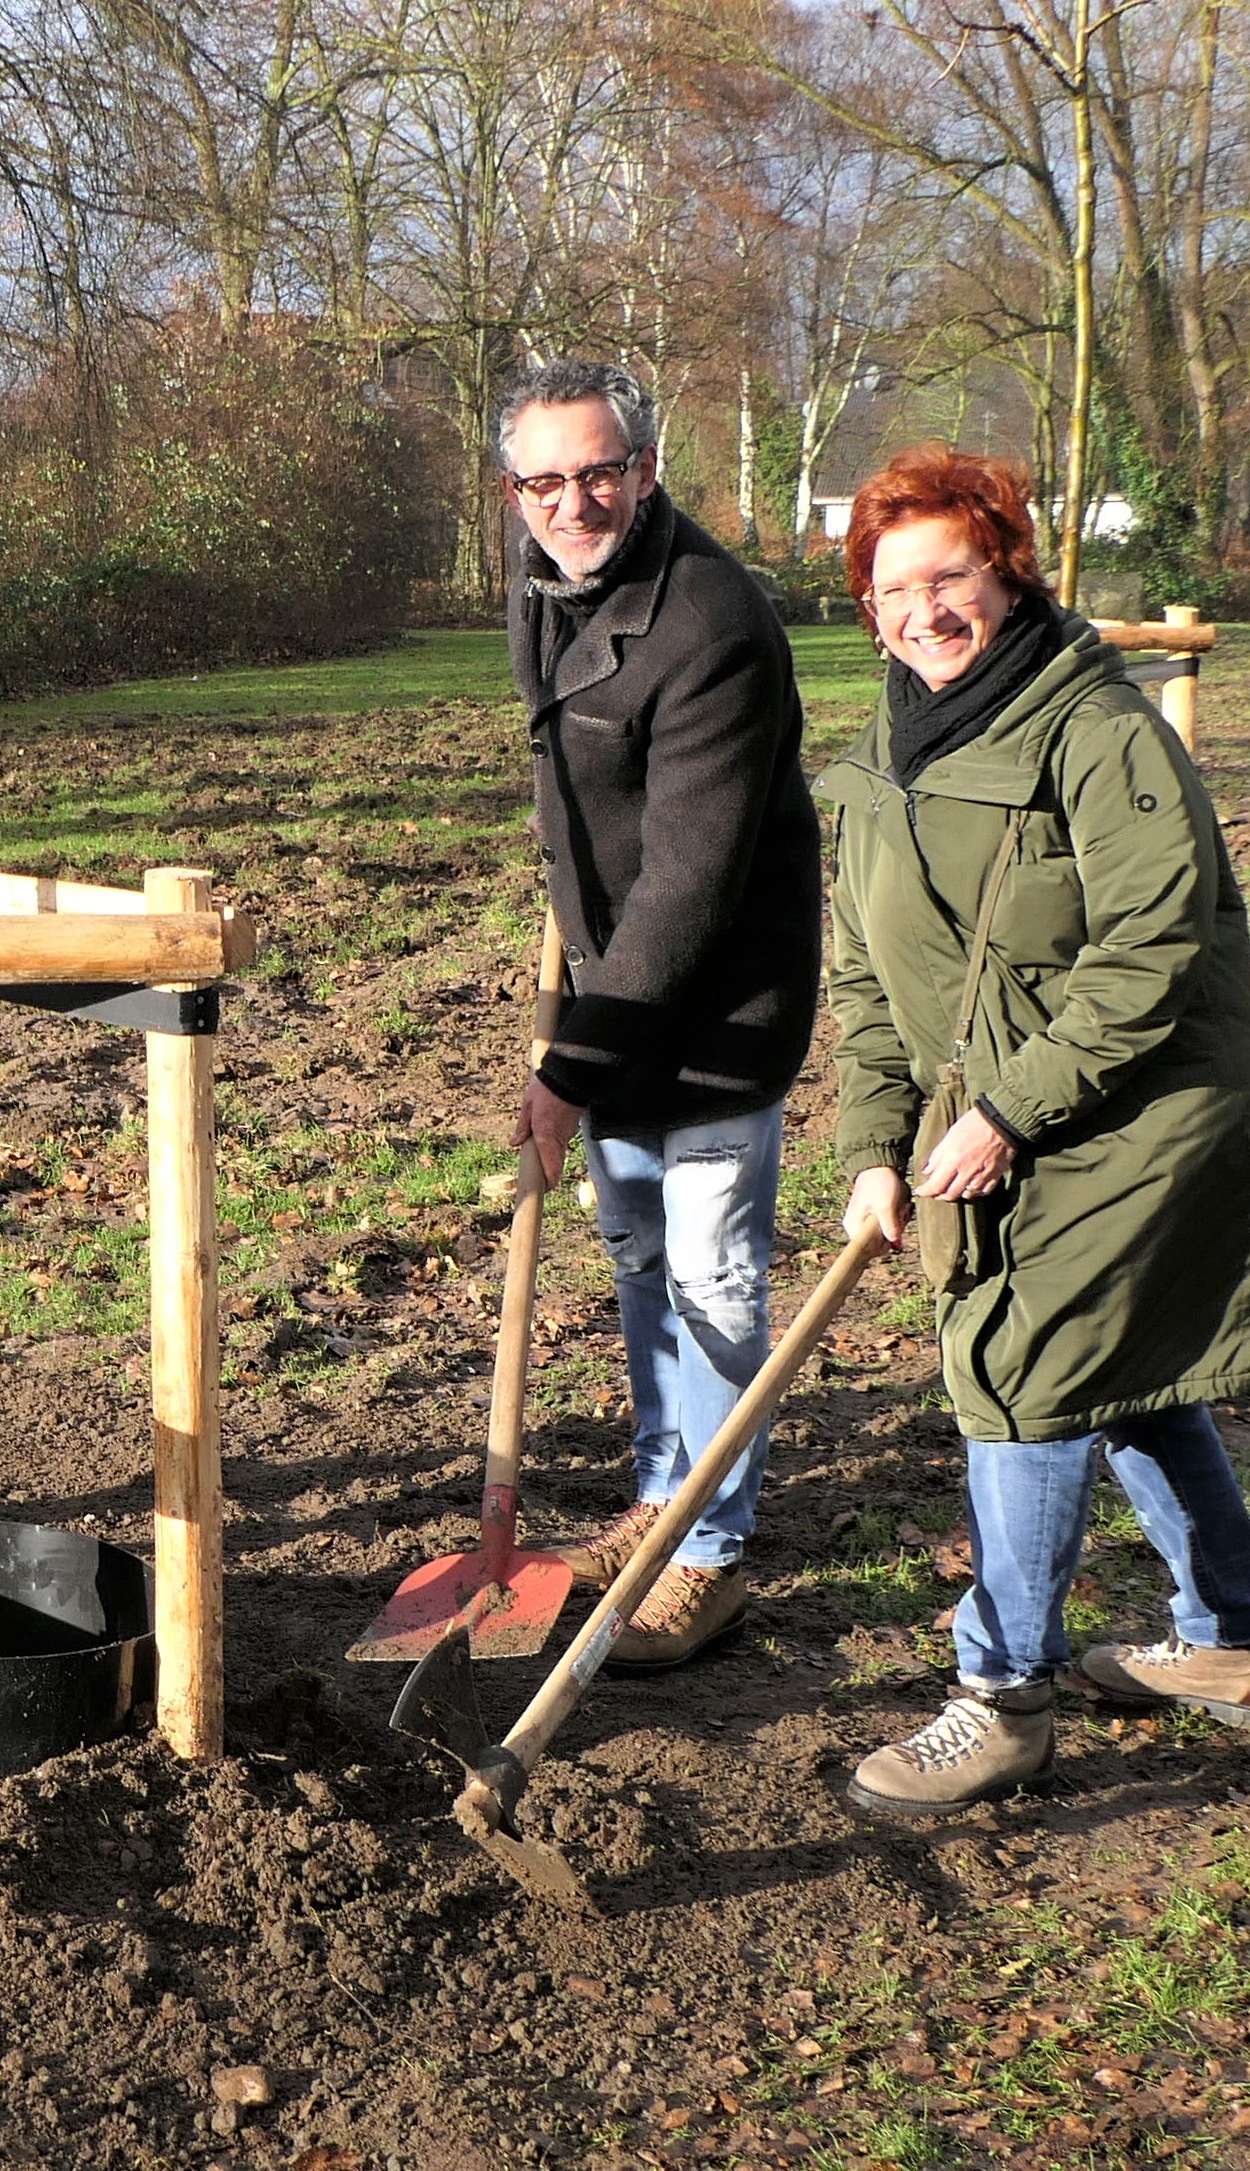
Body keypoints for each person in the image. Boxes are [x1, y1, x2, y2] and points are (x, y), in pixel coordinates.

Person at [823, 446, 1250, 1820]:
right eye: (894, 585)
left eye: (952, 577)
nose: (926, 609)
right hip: (1003, 1112)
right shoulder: (879, 757)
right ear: (867, 606)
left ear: (1010, 574)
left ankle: (1005, 1701)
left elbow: (1154, 944)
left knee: (1022, 1375)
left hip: (1143, 1112)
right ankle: (1225, 1648)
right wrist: (875, 1144)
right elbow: (865, 978)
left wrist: (1007, 1110)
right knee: (1137, 1379)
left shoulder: (1099, 731)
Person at [495, 358, 824, 1669]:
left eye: (600, 473)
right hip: (613, 988)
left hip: (712, 1014)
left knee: (710, 1282)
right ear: (514, 489)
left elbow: (687, 891)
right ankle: (658, 1493)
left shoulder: (712, 623)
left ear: (646, 469)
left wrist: (568, 1070)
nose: (574, 503)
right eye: (545, 480)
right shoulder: (541, 581)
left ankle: (710, 1553)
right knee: (639, 1263)